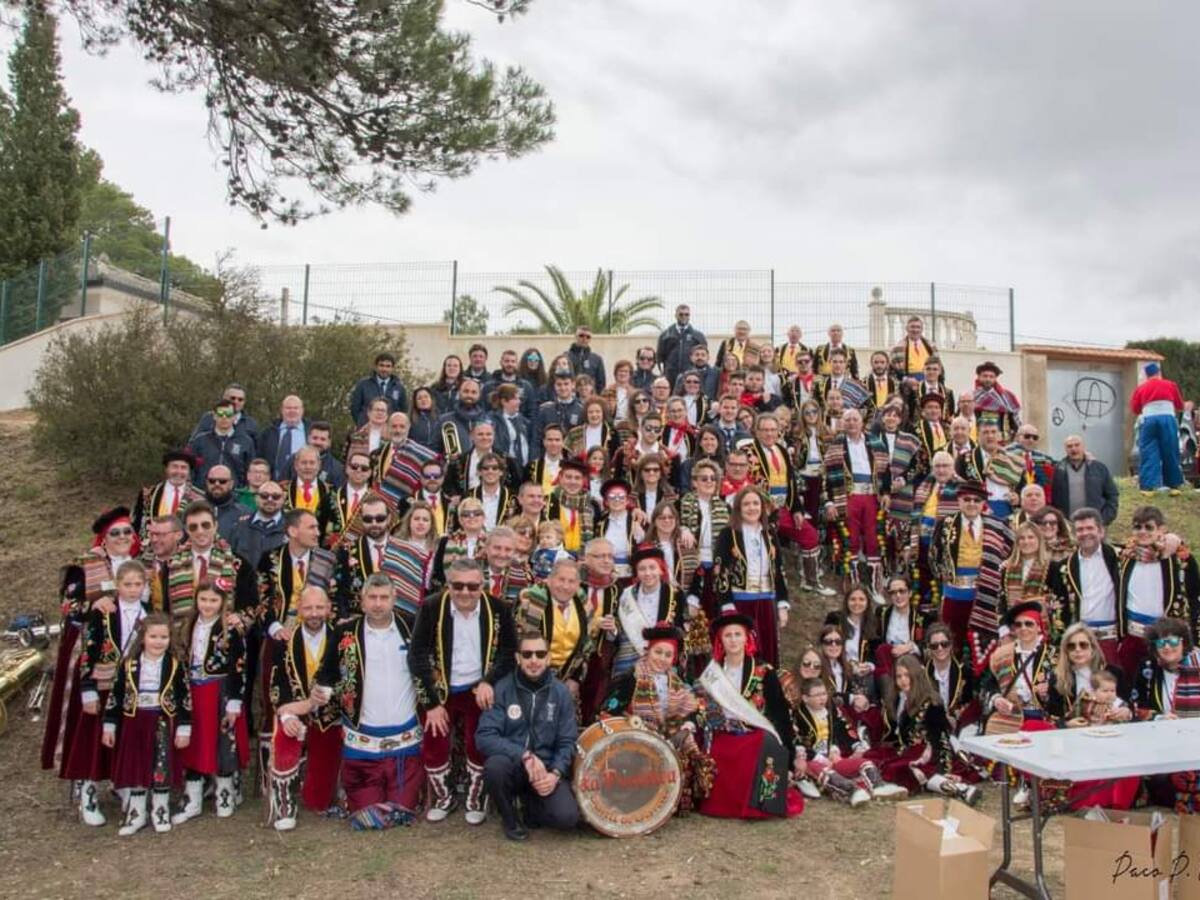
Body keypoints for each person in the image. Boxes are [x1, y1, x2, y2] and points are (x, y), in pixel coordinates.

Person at [410, 559, 517, 825]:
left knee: (477, 743)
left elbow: (508, 653)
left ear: (483, 585)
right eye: (458, 586)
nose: (465, 592)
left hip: (478, 689)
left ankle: (476, 797)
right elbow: (417, 655)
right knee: (435, 742)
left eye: (472, 586)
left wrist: (489, 681)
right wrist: (431, 704)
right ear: (448, 585)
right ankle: (444, 798)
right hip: (441, 690)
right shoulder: (433, 606)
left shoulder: (499, 609)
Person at [42, 507, 140, 775]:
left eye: (127, 532)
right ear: (104, 538)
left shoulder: (140, 565)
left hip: (128, 647)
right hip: (89, 646)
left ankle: (117, 772)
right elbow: (68, 604)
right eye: (115, 533)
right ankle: (83, 776)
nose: (122, 537)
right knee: (88, 709)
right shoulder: (86, 564)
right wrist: (93, 605)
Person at [324, 574, 424, 830]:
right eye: (372, 597)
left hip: (404, 742)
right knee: (367, 815)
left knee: (402, 812)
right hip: (362, 743)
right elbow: (328, 674)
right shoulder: (345, 632)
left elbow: (427, 670)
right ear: (362, 601)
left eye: (384, 597)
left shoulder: (411, 627)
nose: (378, 604)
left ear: (394, 599)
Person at [694, 613, 804, 819]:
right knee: (717, 750)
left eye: (738, 634)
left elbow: (780, 714)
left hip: (753, 733)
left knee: (762, 743)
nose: (733, 640)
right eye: (728, 635)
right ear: (720, 640)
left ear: (747, 638)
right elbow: (702, 708)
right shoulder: (711, 674)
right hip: (722, 732)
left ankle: (760, 805)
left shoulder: (764, 671)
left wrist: (789, 755)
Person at [477, 630, 580, 841]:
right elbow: (485, 736)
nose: (534, 660)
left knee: (567, 818)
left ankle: (530, 804)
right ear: (518, 658)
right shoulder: (503, 688)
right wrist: (524, 755)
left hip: (546, 769)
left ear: (548, 658)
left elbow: (567, 741)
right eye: (527, 654)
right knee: (495, 768)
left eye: (540, 654)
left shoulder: (561, 693)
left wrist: (556, 774)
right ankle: (510, 819)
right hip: (514, 765)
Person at [600, 624, 714, 813]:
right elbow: (608, 711)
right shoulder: (632, 678)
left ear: (674, 658)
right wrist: (632, 726)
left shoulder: (678, 683)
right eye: (658, 652)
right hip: (635, 740)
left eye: (668, 655)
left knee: (687, 742)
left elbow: (695, 708)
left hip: (667, 736)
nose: (662, 659)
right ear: (648, 651)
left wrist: (689, 723)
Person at [69, 560, 148, 826]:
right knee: (94, 740)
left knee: (125, 738)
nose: (133, 589)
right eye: (128, 584)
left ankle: (123, 783)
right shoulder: (103, 613)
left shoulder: (148, 614)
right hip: (102, 683)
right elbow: (88, 651)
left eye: (138, 584)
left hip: (131, 686)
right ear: (117, 585)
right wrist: (88, 689)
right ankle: (89, 791)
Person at [101, 613, 191, 836]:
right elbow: (116, 695)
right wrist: (109, 725)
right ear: (143, 638)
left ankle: (160, 810)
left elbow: (184, 698)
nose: (158, 641)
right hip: (134, 721)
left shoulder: (175, 665)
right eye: (153, 636)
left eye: (164, 637)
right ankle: (136, 813)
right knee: (136, 765)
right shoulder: (129, 665)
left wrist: (183, 727)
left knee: (161, 765)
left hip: (161, 720)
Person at [267, 586, 344, 830]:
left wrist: (332, 698)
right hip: (297, 711)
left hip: (332, 715)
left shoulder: (341, 638)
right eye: (308, 608)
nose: (314, 613)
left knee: (317, 800)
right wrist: (290, 712)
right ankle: (285, 804)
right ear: (299, 609)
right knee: (285, 730)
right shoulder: (283, 643)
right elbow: (277, 688)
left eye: (319, 607)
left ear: (329, 609)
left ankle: (332, 788)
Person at [172, 581, 249, 825]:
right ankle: (192, 799)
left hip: (220, 690)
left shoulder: (230, 628)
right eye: (203, 599)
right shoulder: (188, 625)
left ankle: (224, 795)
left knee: (224, 742)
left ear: (222, 602)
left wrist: (234, 700)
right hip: (194, 690)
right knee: (195, 743)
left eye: (213, 601)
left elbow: (239, 665)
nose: (207, 605)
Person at [865, 655, 979, 805]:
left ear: (915, 675)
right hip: (912, 751)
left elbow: (940, 738)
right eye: (899, 676)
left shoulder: (932, 703)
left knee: (901, 769)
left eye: (907, 675)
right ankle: (957, 788)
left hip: (935, 753)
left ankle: (958, 788)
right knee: (875, 759)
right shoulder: (899, 700)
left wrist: (925, 758)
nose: (903, 680)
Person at [783, 673, 904, 806]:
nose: (822, 698)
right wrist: (821, 759)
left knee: (865, 763)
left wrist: (834, 750)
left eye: (824, 694)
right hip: (811, 761)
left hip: (832, 758)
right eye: (817, 695)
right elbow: (798, 743)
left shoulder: (829, 710)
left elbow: (836, 734)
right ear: (805, 698)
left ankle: (879, 788)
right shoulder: (797, 715)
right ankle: (853, 792)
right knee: (827, 773)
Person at [930, 481, 1014, 670]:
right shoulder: (945, 524)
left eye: (976, 500)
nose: (971, 504)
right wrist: (947, 577)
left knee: (983, 642)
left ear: (983, 502)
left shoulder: (997, 525)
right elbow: (933, 557)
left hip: (985, 594)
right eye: (966, 499)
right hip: (954, 595)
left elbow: (1012, 551)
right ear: (958, 500)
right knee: (952, 641)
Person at [1115, 505, 1199, 679]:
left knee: (1167, 685)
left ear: (1162, 529)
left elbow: (1194, 596)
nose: (1142, 532)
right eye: (1137, 527)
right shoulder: (1126, 558)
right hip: (1133, 636)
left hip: (1167, 640)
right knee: (1130, 683)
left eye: (1149, 527)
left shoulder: (1179, 560)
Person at [713, 486, 790, 667]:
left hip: (766, 601)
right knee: (743, 652)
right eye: (746, 504)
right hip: (740, 603)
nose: (751, 508)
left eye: (756, 503)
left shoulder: (769, 534)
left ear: (762, 508)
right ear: (738, 508)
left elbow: (779, 570)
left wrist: (782, 604)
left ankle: (766, 692)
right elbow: (719, 571)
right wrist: (726, 603)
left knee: (768, 654)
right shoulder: (728, 534)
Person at [1130, 617, 1200, 811]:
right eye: (1161, 643)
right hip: (1162, 740)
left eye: (1173, 641)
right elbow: (1136, 707)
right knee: (1160, 779)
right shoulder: (1148, 668)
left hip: (1196, 738)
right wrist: (1159, 717)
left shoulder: (1198, 663)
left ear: (1183, 642)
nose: (1167, 647)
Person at [822, 407, 889, 600]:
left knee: (874, 539)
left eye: (855, 419)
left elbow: (886, 471)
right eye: (847, 420)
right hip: (848, 497)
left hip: (871, 496)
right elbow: (825, 476)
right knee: (849, 540)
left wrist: (885, 492)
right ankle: (853, 587)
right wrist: (828, 503)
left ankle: (875, 587)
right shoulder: (835, 446)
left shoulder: (876, 443)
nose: (851, 423)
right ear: (842, 423)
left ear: (862, 422)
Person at [1047, 507, 1122, 666]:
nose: (1085, 533)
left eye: (1090, 528)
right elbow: (1059, 607)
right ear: (1074, 534)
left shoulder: (1119, 557)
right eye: (1080, 529)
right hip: (1080, 642)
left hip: (1112, 637)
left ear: (1101, 531)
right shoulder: (1064, 567)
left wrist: (1172, 539)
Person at [516, 558, 593, 694]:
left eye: (571, 581)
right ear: (549, 580)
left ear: (578, 585)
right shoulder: (531, 602)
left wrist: (576, 678)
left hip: (568, 681)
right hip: (533, 680)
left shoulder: (583, 603)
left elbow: (586, 646)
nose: (565, 586)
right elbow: (519, 645)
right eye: (561, 580)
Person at [334, 494, 400, 619]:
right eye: (368, 519)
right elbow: (339, 590)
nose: (374, 523)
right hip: (358, 619)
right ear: (360, 519)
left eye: (380, 518)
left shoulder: (402, 549)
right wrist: (344, 618)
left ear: (389, 518)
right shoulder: (346, 550)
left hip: (396, 619)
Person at [1130, 361, 1186, 494]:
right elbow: (1180, 405)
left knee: (1148, 451)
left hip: (1148, 419)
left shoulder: (1141, 388)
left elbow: (1135, 409)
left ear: (1146, 375)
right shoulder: (1170, 385)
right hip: (1167, 419)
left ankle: (1149, 487)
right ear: (1159, 373)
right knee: (1170, 450)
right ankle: (1174, 485)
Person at [954, 422, 1022, 520]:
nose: (990, 436)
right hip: (978, 510)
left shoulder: (1012, 458)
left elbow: (1021, 485)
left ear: (999, 436)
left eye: (993, 432)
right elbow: (959, 487)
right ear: (978, 436)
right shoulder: (964, 459)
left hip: (1008, 509)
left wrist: (1018, 497)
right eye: (985, 432)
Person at [132, 449, 204, 537]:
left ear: (189, 472)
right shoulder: (148, 494)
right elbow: (137, 525)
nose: (179, 472)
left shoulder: (200, 497)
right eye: (174, 467)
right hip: (153, 546)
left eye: (183, 468)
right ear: (166, 469)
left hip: (186, 548)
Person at [1000, 522, 1053, 641]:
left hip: (1042, 630)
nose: (1026, 542)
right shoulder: (1006, 569)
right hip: (1013, 631)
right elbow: (1001, 604)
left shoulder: (1052, 568)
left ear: (1039, 540)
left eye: (1031, 537)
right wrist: (1004, 632)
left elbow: (1057, 601)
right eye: (1022, 538)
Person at [1052, 434, 1119, 523]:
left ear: (1083, 447)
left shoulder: (1099, 468)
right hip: (1068, 524)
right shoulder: (1058, 469)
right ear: (1065, 449)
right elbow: (1053, 498)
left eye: (1077, 445)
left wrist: (1104, 518)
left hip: (1095, 524)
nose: (1073, 449)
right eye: (1069, 446)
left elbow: (1112, 495)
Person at [924, 622, 977, 734]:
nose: (940, 648)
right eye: (934, 645)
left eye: (944, 644)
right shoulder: (922, 673)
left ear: (951, 645)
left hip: (959, 726)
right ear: (929, 647)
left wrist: (956, 719)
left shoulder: (965, 672)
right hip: (931, 728)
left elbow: (969, 703)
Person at [189, 398, 255, 487]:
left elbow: (249, 471)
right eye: (220, 414)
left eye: (228, 414)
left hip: (234, 494)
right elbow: (191, 468)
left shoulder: (246, 442)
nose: (224, 417)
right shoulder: (200, 440)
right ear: (214, 416)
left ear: (234, 417)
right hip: (203, 493)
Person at [873, 576, 927, 679]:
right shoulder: (882, 613)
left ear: (910, 593)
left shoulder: (923, 617)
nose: (898, 596)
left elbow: (927, 645)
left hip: (911, 661)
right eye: (893, 592)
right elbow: (876, 640)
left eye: (902, 591)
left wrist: (911, 647)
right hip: (887, 661)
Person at [284, 445, 341, 540]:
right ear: (296, 465)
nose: (308, 467)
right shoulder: (282, 491)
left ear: (319, 465)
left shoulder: (332, 493)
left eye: (312, 463)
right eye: (303, 463)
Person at [228, 481, 287, 570]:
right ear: (256, 498)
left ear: (283, 499)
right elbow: (229, 559)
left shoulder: (291, 529)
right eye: (264, 496)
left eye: (276, 497)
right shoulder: (239, 527)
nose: (270, 500)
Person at [532, 369, 584, 458]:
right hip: (547, 460)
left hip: (570, 461)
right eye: (559, 384)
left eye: (566, 384)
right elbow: (536, 440)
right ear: (554, 386)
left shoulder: (581, 410)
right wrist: (536, 462)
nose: (563, 388)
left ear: (573, 385)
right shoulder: (545, 410)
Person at [436, 376, 489, 460]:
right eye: (466, 391)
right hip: (453, 470)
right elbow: (435, 449)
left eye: (474, 392)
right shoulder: (444, 420)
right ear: (459, 393)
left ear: (479, 395)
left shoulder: (488, 420)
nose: (469, 395)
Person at [259, 395, 310, 481]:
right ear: (282, 410)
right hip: (273, 485)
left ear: (302, 411)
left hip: (302, 484)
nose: (292, 411)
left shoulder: (311, 432)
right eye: (288, 408)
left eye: (296, 408)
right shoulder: (268, 433)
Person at [349, 352, 408, 426]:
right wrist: (362, 423)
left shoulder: (399, 387)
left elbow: (403, 410)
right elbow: (355, 408)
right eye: (381, 365)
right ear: (376, 366)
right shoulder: (363, 384)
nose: (384, 369)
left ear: (392, 368)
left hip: (389, 431)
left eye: (388, 366)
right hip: (367, 430)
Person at [191, 383, 259, 446]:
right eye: (232, 398)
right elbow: (193, 444)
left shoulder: (251, 424)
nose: (236, 402)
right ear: (224, 398)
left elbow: (255, 452)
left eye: (240, 399)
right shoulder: (209, 418)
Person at [657, 304, 707, 387]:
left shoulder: (697, 336)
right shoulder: (666, 335)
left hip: (690, 377)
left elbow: (703, 356)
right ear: (676, 315)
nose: (684, 316)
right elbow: (660, 357)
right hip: (670, 376)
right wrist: (664, 371)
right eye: (681, 314)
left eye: (686, 314)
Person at [972, 361, 1021, 441]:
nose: (988, 379)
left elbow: (1014, 420)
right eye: (985, 376)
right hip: (978, 439)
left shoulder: (1007, 396)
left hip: (1002, 440)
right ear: (979, 377)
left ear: (995, 378)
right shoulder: (970, 397)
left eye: (991, 377)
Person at [1007, 422, 1055, 502]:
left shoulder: (1043, 457)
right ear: (1017, 437)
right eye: (1027, 436)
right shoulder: (1006, 454)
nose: (1031, 440)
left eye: (1035, 438)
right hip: (1012, 500)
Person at [203, 464, 252, 540]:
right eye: (212, 481)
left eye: (222, 481)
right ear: (206, 482)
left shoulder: (244, 513)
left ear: (231, 484)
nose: (217, 484)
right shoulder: (194, 510)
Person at [491, 383, 532, 472]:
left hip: (525, 468)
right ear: (504, 401)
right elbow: (497, 447)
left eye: (519, 398)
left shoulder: (524, 421)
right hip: (507, 468)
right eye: (515, 399)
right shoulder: (494, 421)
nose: (519, 402)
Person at [344, 398, 392, 464]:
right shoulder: (355, 436)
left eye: (383, 411)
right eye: (377, 410)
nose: (380, 413)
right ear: (369, 413)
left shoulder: (392, 439)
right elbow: (346, 461)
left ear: (387, 415)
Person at [891, 315, 937, 383]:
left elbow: (938, 366)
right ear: (907, 328)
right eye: (912, 327)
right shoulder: (897, 348)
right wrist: (905, 379)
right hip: (908, 382)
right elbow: (893, 369)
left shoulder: (931, 347)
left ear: (922, 329)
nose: (915, 330)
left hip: (928, 380)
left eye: (918, 327)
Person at [566, 325, 606, 390]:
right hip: (571, 396)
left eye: (588, 337)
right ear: (575, 337)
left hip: (590, 397)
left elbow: (601, 384)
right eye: (581, 335)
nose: (584, 338)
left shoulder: (597, 359)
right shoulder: (565, 357)